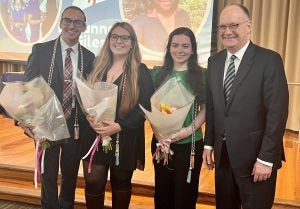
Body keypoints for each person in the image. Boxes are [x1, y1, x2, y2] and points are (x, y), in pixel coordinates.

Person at [202, 3, 289, 209]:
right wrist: (208, 144)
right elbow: (214, 107)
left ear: (248, 27)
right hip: (223, 158)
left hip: (256, 161)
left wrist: (266, 159)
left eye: (234, 25)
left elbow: (277, 113)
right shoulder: (214, 61)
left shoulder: (269, 60)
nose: (227, 31)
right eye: (222, 27)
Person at [18, 6, 95, 209]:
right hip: (46, 123)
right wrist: (24, 120)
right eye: (68, 20)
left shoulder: (89, 57)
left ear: (84, 27)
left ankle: (66, 205)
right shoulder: (41, 50)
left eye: (77, 22)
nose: (72, 25)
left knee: (70, 173)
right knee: (48, 173)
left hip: (75, 125)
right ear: (60, 23)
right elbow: (28, 87)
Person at [82, 22, 154, 209]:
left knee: (121, 181)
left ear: (132, 43)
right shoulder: (95, 66)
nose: (118, 41)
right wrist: (88, 115)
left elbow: (145, 107)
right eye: (114, 36)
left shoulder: (141, 71)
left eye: (124, 37)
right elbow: (84, 96)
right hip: (95, 133)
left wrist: (119, 126)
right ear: (108, 40)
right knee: (93, 180)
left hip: (125, 134)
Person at [150, 27, 206, 209]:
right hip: (162, 144)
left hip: (189, 143)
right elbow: (152, 108)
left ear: (192, 49)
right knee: (162, 194)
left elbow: (205, 108)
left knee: (185, 196)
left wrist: (188, 130)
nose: (179, 50)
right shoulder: (157, 73)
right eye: (175, 45)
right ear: (169, 48)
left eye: (185, 46)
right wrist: (159, 135)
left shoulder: (202, 75)